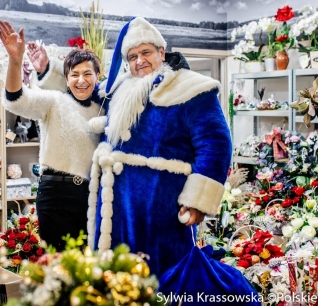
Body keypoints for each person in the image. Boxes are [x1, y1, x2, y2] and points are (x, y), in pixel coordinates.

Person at [87, 17, 233, 276]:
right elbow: (81, 91)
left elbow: (215, 145)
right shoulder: (120, 89)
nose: (139, 61)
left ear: (161, 52)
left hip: (161, 206)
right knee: (118, 277)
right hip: (116, 207)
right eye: (132, 56)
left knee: (164, 278)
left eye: (145, 52)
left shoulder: (191, 88)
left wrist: (197, 201)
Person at [0, 20, 105, 251]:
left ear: (98, 76)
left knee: (89, 272)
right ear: (66, 79)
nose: (81, 80)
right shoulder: (54, 101)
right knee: (59, 272)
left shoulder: (106, 109)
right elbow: (16, 100)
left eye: (88, 73)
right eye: (74, 74)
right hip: (56, 196)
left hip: (93, 198)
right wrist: (16, 61)